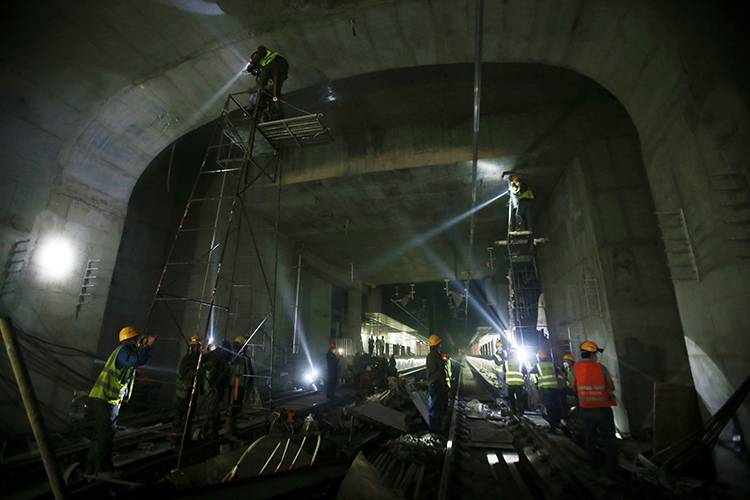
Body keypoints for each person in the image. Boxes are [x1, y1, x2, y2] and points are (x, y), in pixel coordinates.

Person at [86, 326, 156, 475]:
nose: (139, 341)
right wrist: (148, 346)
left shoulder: (125, 351)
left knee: (99, 435)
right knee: (106, 435)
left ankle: (91, 468)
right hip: (105, 398)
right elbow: (136, 361)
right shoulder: (124, 351)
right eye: (137, 339)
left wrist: (142, 347)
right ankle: (103, 469)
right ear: (130, 340)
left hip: (105, 398)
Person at [571, 340, 618, 476]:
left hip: (586, 410)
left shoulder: (575, 369)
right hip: (603, 410)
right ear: (592, 354)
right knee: (609, 440)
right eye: (596, 354)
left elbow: (573, 386)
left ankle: (592, 465)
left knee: (589, 438)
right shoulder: (601, 368)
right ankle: (612, 470)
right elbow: (611, 387)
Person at [245, 45, 289, 118]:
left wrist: (253, 63)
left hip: (278, 63)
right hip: (280, 71)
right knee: (274, 93)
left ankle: (257, 89)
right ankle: (277, 113)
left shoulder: (261, 49)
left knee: (262, 82)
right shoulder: (264, 66)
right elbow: (261, 75)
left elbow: (261, 53)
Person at [173, 335, 202, 439]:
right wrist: (195, 372)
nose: (200, 349)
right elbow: (183, 373)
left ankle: (185, 436)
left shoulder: (197, 358)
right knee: (180, 415)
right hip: (184, 392)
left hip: (190, 391)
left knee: (188, 416)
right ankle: (176, 438)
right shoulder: (188, 359)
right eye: (199, 347)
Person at [202, 342, 231, 440]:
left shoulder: (215, 358)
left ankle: (211, 430)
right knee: (213, 409)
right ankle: (211, 432)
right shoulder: (219, 359)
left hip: (213, 387)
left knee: (213, 409)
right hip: (214, 388)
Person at [227, 336, 254, 435]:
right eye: (245, 345)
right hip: (237, 385)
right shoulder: (235, 357)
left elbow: (249, 372)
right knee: (233, 407)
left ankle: (233, 429)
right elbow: (235, 371)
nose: (247, 347)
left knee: (237, 407)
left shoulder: (245, 358)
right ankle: (230, 431)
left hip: (241, 385)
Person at [530, 350, 562, 431]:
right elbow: (560, 374)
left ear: (539, 358)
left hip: (545, 389)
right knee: (556, 406)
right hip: (555, 388)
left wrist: (536, 383)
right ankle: (558, 422)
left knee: (549, 407)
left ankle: (552, 426)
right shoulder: (552, 364)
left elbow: (531, 373)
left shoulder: (538, 366)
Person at [426, 334, 449, 433]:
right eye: (439, 344)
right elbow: (439, 369)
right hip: (436, 384)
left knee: (436, 406)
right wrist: (444, 359)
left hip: (434, 384)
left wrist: (443, 358)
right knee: (435, 407)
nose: (441, 345)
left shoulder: (433, 355)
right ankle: (435, 429)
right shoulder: (434, 356)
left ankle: (436, 427)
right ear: (437, 345)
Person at [504, 348, 528, 415]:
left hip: (510, 383)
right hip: (519, 383)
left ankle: (513, 412)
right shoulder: (520, 361)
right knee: (519, 398)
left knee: (511, 399)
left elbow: (504, 370)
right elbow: (525, 371)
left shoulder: (506, 362)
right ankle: (520, 413)